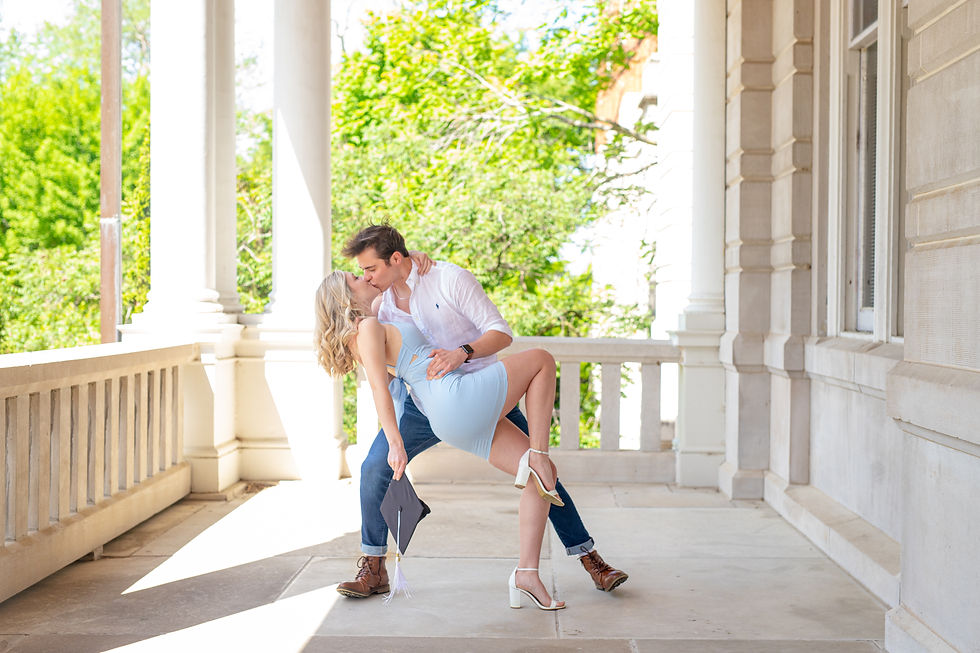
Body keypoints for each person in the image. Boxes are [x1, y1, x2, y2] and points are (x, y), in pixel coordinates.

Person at [333, 224, 628, 599]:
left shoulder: (447, 279)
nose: (365, 277)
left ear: (394, 259)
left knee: (538, 466)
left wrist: (463, 352)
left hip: (480, 389)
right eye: (362, 273)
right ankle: (374, 568)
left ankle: (589, 557)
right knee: (374, 468)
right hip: (424, 405)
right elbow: (351, 316)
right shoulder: (381, 301)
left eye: (369, 269)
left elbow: (500, 333)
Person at [315, 270, 565, 610]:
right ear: (346, 297)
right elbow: (379, 388)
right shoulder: (368, 328)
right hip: (455, 399)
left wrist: (413, 265)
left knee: (540, 476)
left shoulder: (365, 332)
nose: (364, 277)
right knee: (541, 360)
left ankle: (527, 574)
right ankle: (538, 452)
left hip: (446, 415)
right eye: (356, 278)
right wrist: (395, 442)